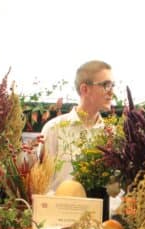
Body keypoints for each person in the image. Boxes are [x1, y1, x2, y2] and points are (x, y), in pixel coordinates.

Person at [40, 60, 115, 195]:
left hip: (102, 214)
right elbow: (41, 185)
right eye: (106, 85)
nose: (111, 93)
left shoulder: (112, 134)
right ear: (85, 89)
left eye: (112, 86)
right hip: (59, 212)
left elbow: (115, 190)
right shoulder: (54, 129)